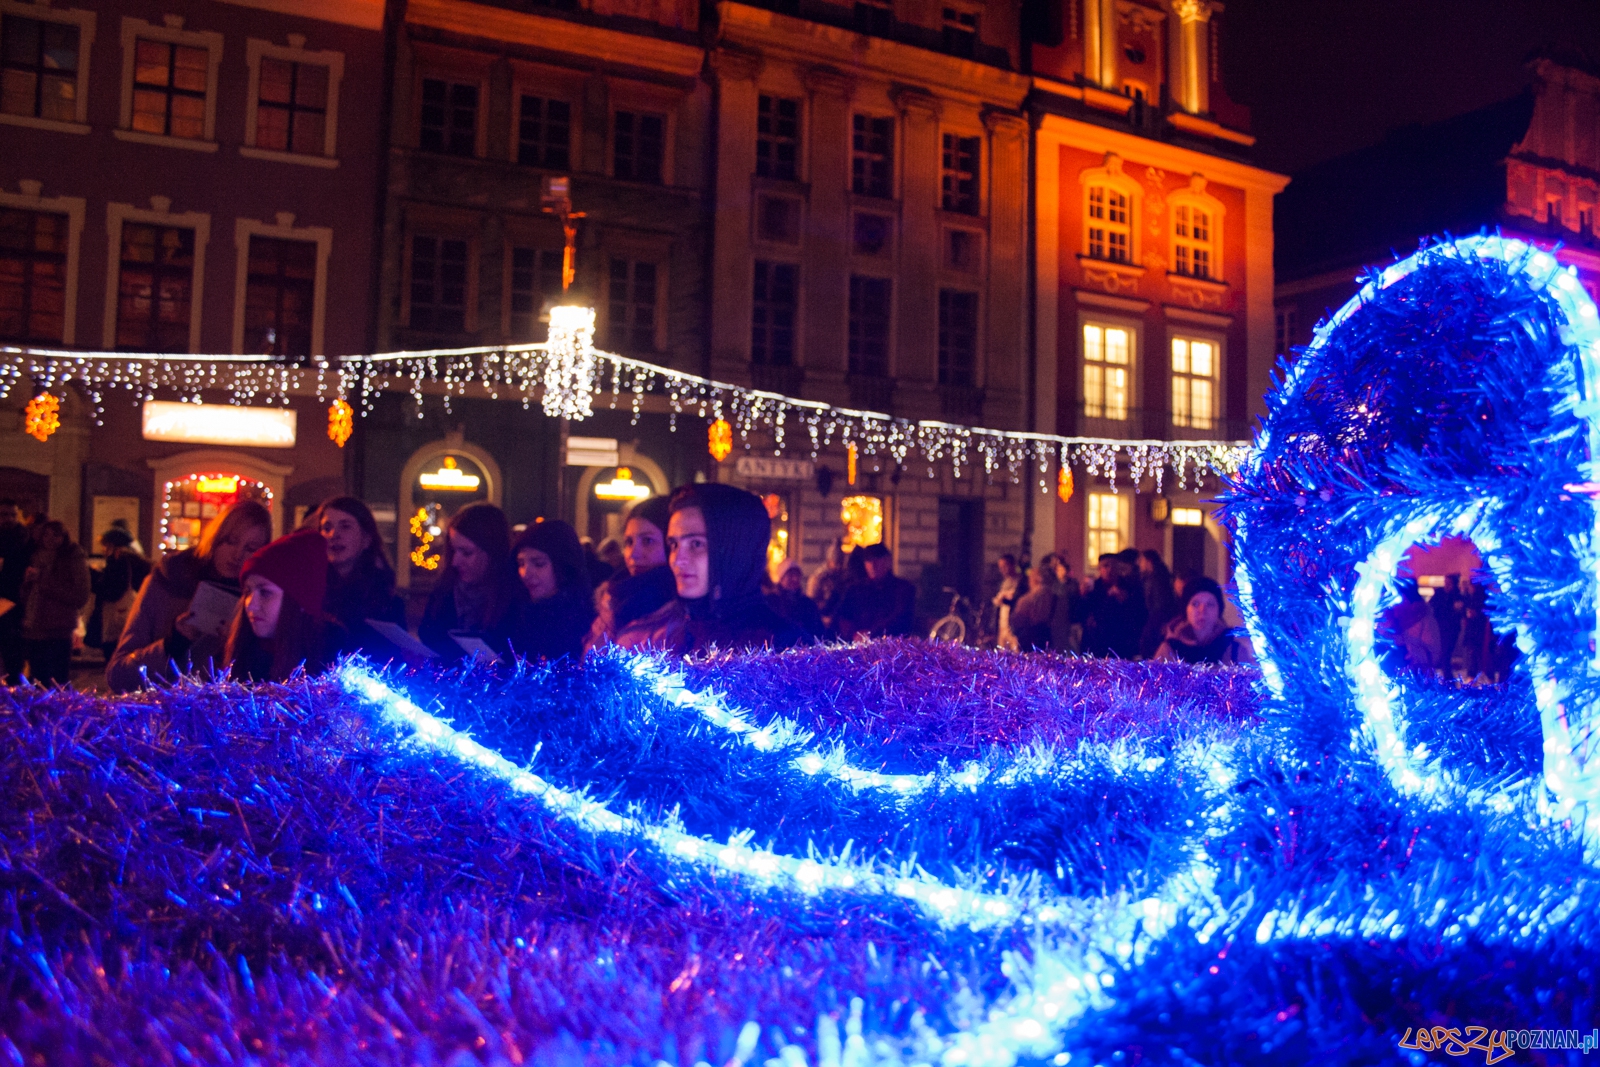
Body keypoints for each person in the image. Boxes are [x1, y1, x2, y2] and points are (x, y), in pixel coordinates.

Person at [107, 501, 272, 692]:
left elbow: (265, 685)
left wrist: (237, 647)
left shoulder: (257, 600)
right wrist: (173, 644)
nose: (237, 554)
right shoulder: (168, 580)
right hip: (161, 714)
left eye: (250, 547)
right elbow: (118, 675)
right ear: (216, 538)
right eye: (231, 541)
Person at [665, 483, 804, 654]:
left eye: (696, 544)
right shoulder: (675, 632)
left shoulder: (784, 649)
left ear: (737, 550)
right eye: (674, 544)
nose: (677, 560)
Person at [223, 528, 345, 682]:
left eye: (265, 592)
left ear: (300, 600)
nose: (250, 605)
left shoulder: (333, 663)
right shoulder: (244, 652)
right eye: (247, 592)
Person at [419, 502, 523, 661]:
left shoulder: (515, 597)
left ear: (492, 552)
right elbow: (428, 635)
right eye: (453, 550)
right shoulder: (445, 589)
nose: (455, 561)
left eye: (466, 553)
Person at [585, 495, 683, 652]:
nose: (633, 554)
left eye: (647, 541)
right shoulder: (612, 599)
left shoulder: (678, 616)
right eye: (629, 542)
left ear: (671, 544)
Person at [312, 497, 406, 658]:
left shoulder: (386, 599)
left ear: (366, 539)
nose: (334, 535)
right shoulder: (310, 591)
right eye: (327, 527)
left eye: (345, 527)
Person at [508, 518, 595, 662]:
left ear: (563, 565)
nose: (525, 573)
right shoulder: (516, 613)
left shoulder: (586, 620)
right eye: (521, 563)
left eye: (538, 564)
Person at [20, 520, 91, 686]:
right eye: (46, 534)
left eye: (55, 535)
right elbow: (27, 595)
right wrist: (27, 582)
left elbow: (79, 594)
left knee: (57, 679)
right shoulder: (36, 556)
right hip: (34, 626)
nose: (50, 539)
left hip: (58, 628)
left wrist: (43, 581)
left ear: (63, 537)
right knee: (37, 677)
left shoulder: (72, 557)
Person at [1154, 576, 1254, 665]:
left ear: (1219, 610)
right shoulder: (1169, 650)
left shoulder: (1234, 650)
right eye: (1195, 604)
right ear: (1186, 609)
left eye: (1210, 604)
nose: (1202, 611)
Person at [88, 528, 151, 660]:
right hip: (134, 612)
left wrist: (92, 577)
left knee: (114, 655)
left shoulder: (120, 559)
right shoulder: (134, 559)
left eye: (106, 545)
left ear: (113, 545)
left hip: (119, 616)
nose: (104, 550)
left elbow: (113, 589)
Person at [834, 543, 916, 641]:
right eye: (869, 561)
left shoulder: (903, 589)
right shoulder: (855, 589)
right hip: (858, 646)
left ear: (887, 561)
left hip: (891, 647)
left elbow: (901, 620)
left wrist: (871, 633)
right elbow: (842, 617)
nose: (873, 565)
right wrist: (853, 634)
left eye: (877, 560)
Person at [0, 499, 32, 683]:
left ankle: (14, 686)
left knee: (13, 650)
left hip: (15, 602)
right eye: (4, 515)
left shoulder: (24, 539)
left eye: (12, 514)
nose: (8, 519)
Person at [1385, 581, 1441, 671]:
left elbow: (1432, 652)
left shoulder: (1423, 617)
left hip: (1416, 672)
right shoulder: (1393, 616)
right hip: (1393, 670)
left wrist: (1407, 650)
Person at [768, 558, 825, 640]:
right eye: (790, 575)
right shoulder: (772, 601)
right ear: (781, 578)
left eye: (797, 575)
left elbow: (818, 630)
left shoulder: (808, 603)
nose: (795, 579)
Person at [1137, 549, 1177, 658]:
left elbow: (1160, 602)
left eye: (1142, 561)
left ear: (1148, 561)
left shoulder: (1157, 579)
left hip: (1157, 619)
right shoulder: (1155, 577)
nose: (1139, 564)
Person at [1008, 563, 1058, 652]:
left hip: (1028, 641)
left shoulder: (1026, 600)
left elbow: (1017, 622)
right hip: (1049, 639)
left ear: (1035, 579)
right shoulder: (1056, 598)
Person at [807, 540, 849, 628]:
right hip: (821, 619)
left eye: (840, 563)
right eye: (836, 563)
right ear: (829, 561)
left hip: (838, 619)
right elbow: (811, 602)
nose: (838, 566)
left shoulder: (844, 576)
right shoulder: (819, 578)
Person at [1430, 573, 1465, 676]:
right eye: (1446, 582)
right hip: (1439, 627)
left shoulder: (1457, 595)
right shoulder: (1439, 593)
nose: (1447, 584)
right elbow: (1433, 607)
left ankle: (1448, 678)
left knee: (1446, 653)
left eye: (1449, 582)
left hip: (1452, 628)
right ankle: (1447, 677)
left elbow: (1461, 610)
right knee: (1443, 653)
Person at [1046, 555, 1082, 653]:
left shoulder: (1073, 584)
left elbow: (1075, 601)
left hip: (1071, 621)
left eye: (1063, 570)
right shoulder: (1053, 585)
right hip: (1057, 622)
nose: (1061, 572)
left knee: (1073, 647)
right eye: (1059, 570)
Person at [991, 553, 1022, 649]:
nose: (1002, 570)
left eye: (1004, 566)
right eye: (1000, 567)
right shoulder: (1004, 583)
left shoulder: (1020, 582)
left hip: (1013, 624)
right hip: (1002, 624)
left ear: (1012, 565)